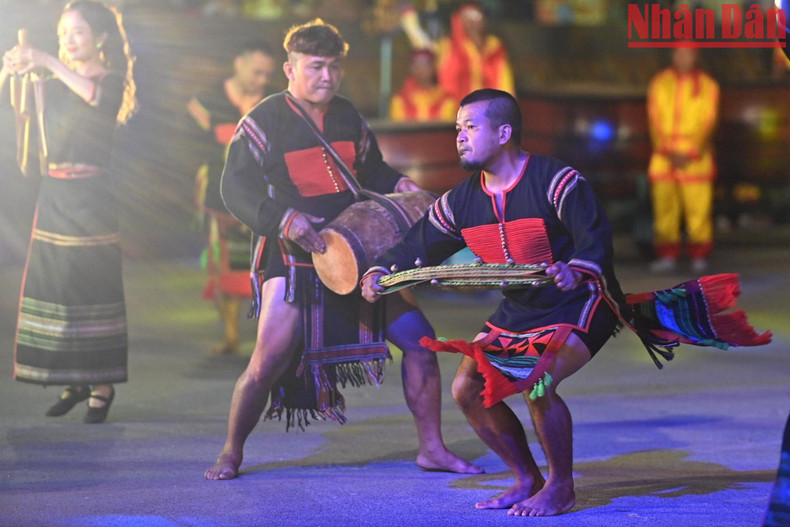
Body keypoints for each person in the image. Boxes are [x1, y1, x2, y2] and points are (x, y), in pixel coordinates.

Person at [361, 89, 770, 516]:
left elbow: (594, 239)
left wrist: (576, 267)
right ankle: (527, 479)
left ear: (504, 133)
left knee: (537, 379)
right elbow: (417, 246)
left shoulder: (557, 182)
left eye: (470, 127)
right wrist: (379, 272)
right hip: (521, 308)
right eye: (457, 128)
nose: (459, 137)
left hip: (580, 300)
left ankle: (561, 486)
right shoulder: (460, 201)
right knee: (468, 388)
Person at [204, 19, 480, 480]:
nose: (327, 77)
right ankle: (231, 451)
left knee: (421, 344)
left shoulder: (348, 114)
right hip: (294, 253)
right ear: (290, 70)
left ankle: (432, 448)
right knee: (266, 361)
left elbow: (372, 170)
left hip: (359, 250)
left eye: (334, 67)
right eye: (315, 67)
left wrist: (401, 185)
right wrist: (284, 220)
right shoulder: (264, 119)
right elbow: (234, 188)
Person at [3, 0, 137, 424]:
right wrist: (12, 70)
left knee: (89, 287)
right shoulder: (54, 78)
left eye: (76, 32)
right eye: (62, 35)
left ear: (99, 37)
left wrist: (45, 59)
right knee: (57, 288)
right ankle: (73, 380)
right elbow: (21, 113)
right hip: (54, 194)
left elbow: (94, 95)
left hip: (92, 197)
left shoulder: (110, 80)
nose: (67, 41)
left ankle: (101, 385)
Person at [187, 41, 276, 355]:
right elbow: (191, 146)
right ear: (239, 62)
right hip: (219, 194)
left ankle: (270, 336)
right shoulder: (206, 101)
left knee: (266, 265)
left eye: (267, 74)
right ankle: (232, 336)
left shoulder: (274, 101)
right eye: (257, 72)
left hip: (265, 198)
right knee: (224, 263)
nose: (262, 80)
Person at [647, 46, 719, 273]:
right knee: (664, 208)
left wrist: (690, 151)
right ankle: (667, 254)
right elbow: (654, 119)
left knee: (698, 208)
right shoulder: (660, 83)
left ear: (695, 56)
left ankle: (699, 255)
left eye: (687, 52)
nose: (682, 57)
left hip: (694, 158)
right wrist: (668, 150)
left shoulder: (708, 85)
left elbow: (709, 121)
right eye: (678, 52)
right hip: (664, 156)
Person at [436, 2, 515, 104]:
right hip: (457, 112)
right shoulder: (448, 46)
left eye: (476, 16)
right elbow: (444, 85)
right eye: (466, 17)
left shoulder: (495, 47)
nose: (471, 22)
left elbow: (504, 81)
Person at [390, 48, 455, 122]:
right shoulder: (399, 101)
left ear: (433, 67)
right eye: (417, 66)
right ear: (411, 68)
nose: (420, 70)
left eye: (425, 65)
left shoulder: (447, 101)